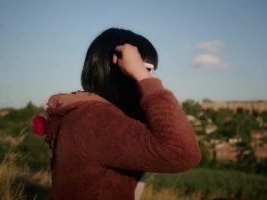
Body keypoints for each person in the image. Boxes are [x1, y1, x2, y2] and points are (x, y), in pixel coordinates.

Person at [43, 28, 201, 200]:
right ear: (118, 67)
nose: (150, 76)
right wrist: (143, 77)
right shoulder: (95, 120)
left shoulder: (85, 114)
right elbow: (182, 153)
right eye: (145, 69)